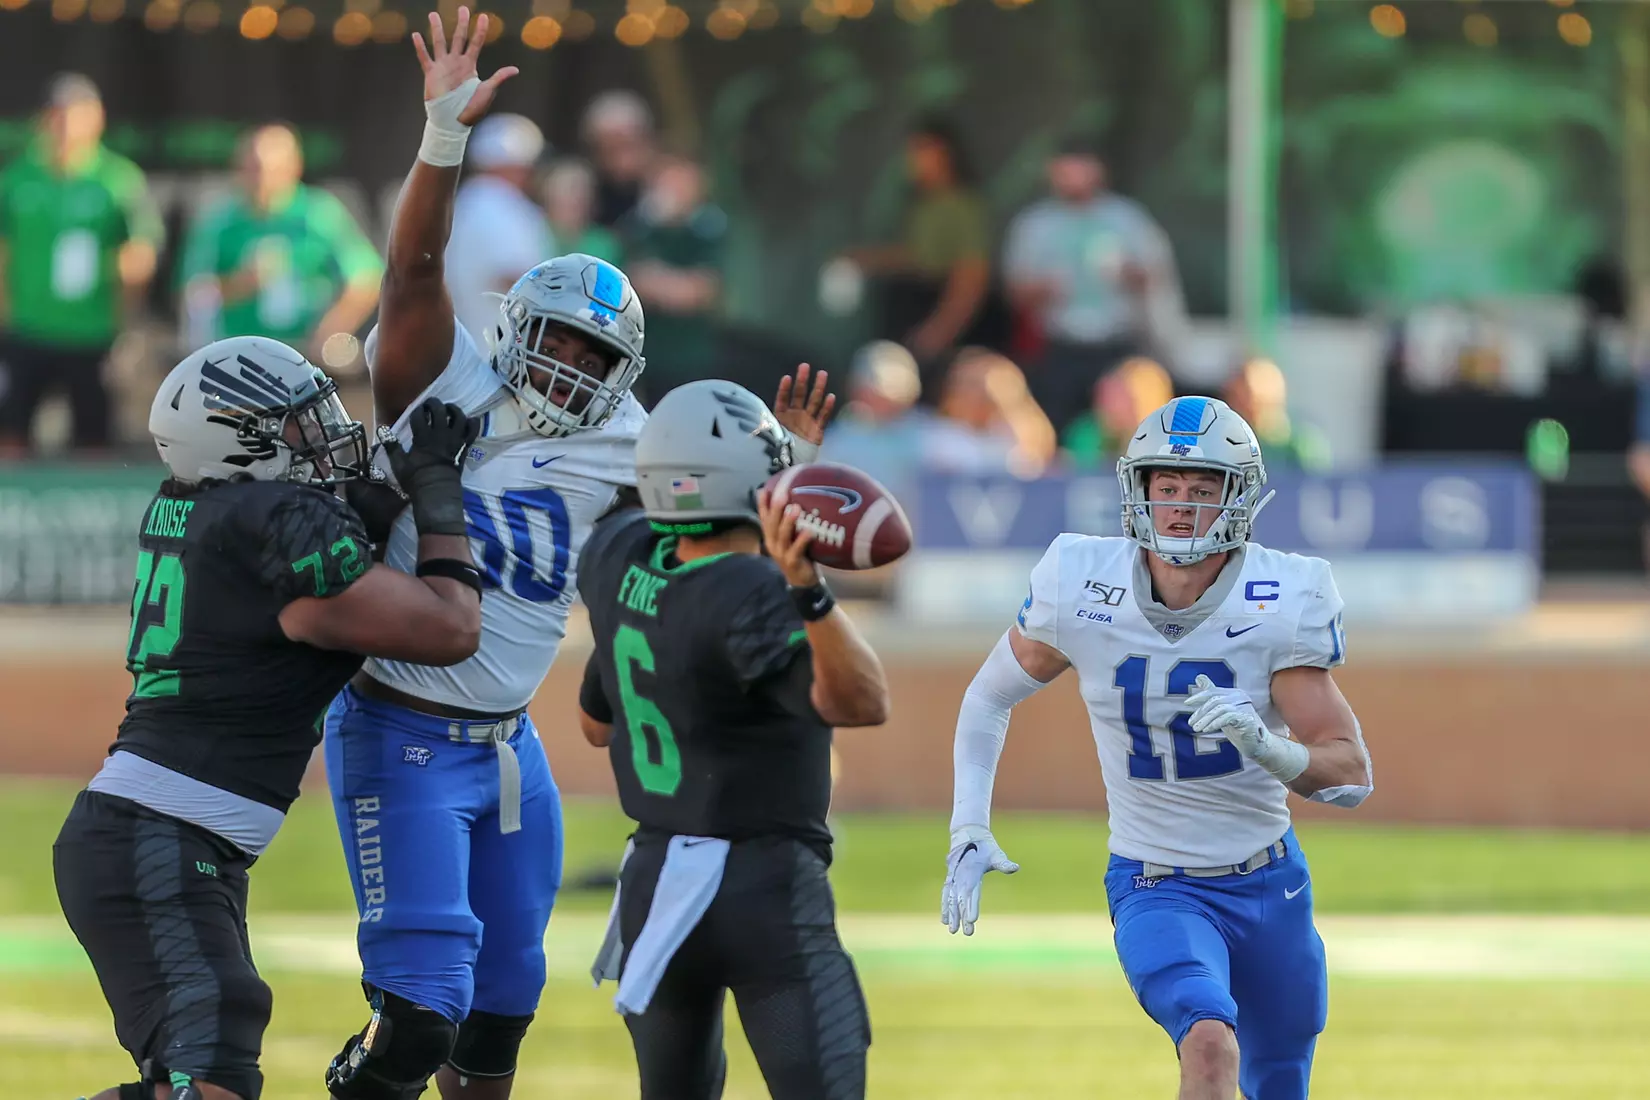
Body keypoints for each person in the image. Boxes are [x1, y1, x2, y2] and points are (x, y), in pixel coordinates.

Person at [319, 15, 824, 1097]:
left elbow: (713, 528)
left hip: (511, 747)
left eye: (594, 353)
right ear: (515, 325)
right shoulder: (440, 374)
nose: (568, 366)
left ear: (624, 366)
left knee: (499, 1018)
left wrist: (781, 476)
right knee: (416, 1021)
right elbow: (412, 270)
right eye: (554, 338)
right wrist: (442, 140)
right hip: (399, 720)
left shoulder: (630, 437)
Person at [53, 334, 485, 1100]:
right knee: (214, 1078)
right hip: (158, 837)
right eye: (297, 422)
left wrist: (382, 500)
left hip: (151, 833)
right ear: (239, 443)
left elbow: (311, 565)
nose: (321, 433)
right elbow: (451, 628)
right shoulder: (273, 519)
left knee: (205, 1073)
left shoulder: (205, 506)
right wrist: (441, 499)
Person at [942, 396, 1374, 1100]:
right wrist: (968, 824)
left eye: (1202, 490)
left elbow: (1350, 775)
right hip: (1156, 881)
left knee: (1281, 1081)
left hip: (1270, 884)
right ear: (1136, 491)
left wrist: (1267, 746)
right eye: (1165, 487)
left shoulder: (1281, 595)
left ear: (1238, 498)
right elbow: (989, 695)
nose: (1180, 506)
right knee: (1208, 1043)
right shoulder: (1081, 582)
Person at [580, 379, 885, 1100]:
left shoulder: (619, 554)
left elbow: (596, 725)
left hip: (656, 887)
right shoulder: (755, 592)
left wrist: (776, 470)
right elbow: (863, 701)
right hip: (763, 894)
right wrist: (807, 588)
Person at [0, 73, 162, 456]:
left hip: (92, 333)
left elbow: (141, 249)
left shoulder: (118, 179)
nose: (67, 127)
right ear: (44, 120)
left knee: (93, 440)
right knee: (11, 435)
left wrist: (125, 307)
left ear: (97, 119)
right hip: (26, 328)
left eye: (77, 115)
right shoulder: (18, 179)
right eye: (58, 116)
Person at [1001, 137, 1185, 434]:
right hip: (1060, 347)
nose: (1072, 180)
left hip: (1117, 345)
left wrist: (1124, 272)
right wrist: (1045, 289)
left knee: (1128, 429)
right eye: (1064, 172)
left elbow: (1156, 279)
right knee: (1056, 429)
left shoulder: (1127, 219)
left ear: (1097, 171)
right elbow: (1014, 292)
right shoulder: (1035, 225)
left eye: (1079, 170)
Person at [178, 123, 382, 362]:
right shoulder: (220, 222)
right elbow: (192, 292)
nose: (261, 179)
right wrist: (240, 283)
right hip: (238, 357)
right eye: (253, 168)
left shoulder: (319, 215)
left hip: (305, 358)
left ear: (294, 167)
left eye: (270, 169)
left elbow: (366, 278)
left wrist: (330, 331)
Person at [844, 119, 997, 382]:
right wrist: (864, 259)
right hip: (906, 317)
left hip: (939, 327)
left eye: (922, 150)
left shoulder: (963, 206)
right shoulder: (921, 202)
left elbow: (971, 275)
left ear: (945, 153)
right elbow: (918, 256)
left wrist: (937, 332)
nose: (912, 159)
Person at [621, 152, 726, 403]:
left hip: (692, 358)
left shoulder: (709, 229)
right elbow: (631, 282)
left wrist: (660, 282)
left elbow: (698, 292)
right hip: (644, 357)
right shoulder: (641, 227)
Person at [444, 113, 556, 342]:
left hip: (474, 338)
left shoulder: (470, 200)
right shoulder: (497, 204)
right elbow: (513, 275)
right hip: (502, 344)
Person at [543, 157, 623, 266]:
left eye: (585, 190)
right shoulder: (532, 234)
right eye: (571, 189)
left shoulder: (603, 243)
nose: (579, 198)